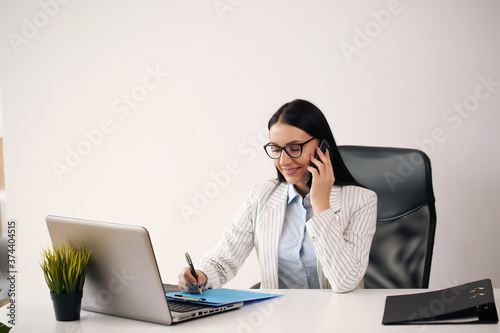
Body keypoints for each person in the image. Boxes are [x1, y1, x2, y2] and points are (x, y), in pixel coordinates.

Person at [178, 99, 377, 293]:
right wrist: (200, 275)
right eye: (276, 149)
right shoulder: (261, 196)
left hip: (338, 321)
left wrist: (320, 204)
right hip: (276, 320)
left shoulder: (361, 200)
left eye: (294, 148)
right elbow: (222, 260)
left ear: (323, 146)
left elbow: (346, 282)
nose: (284, 161)